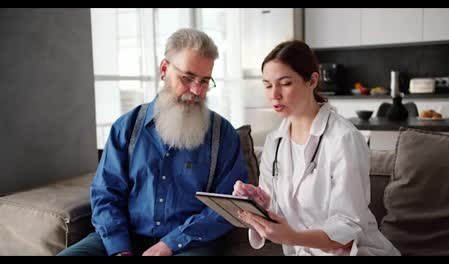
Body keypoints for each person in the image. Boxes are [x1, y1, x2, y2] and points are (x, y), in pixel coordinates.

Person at [58, 28, 248, 256]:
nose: (197, 90)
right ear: (164, 69)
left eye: (205, 81)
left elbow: (227, 207)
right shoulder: (126, 127)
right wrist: (119, 249)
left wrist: (170, 244)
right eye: (187, 78)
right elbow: (106, 194)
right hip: (125, 237)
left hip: (190, 243)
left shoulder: (223, 135)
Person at [232, 40, 400, 256]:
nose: (274, 94)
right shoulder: (275, 143)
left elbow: (348, 234)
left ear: (312, 80)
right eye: (267, 85)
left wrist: (291, 237)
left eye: (285, 83)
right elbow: (280, 215)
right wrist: (260, 205)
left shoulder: (343, 138)